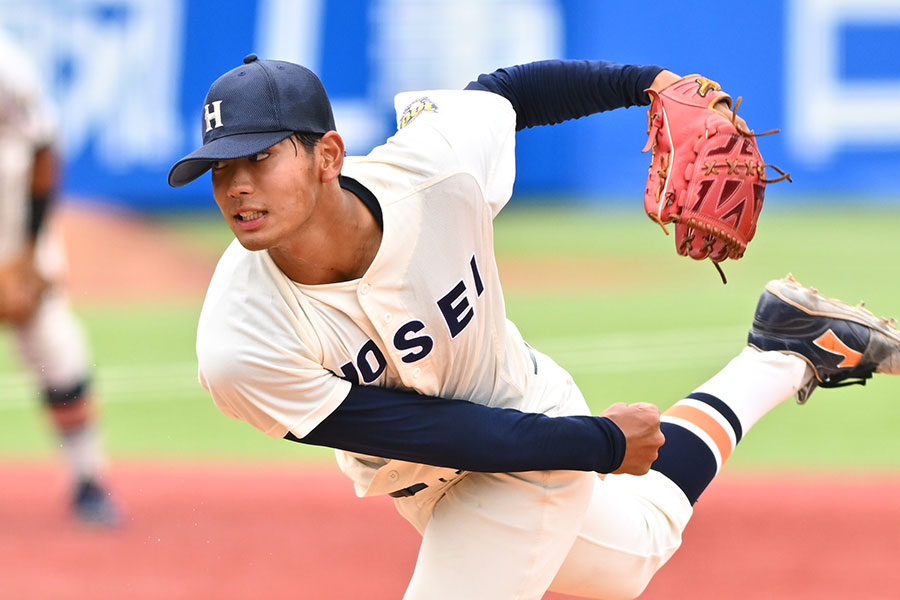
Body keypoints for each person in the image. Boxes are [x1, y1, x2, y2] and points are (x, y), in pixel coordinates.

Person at [168, 54, 899, 599]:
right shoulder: (240, 343)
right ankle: (784, 348)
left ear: (327, 155)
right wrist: (601, 443)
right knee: (639, 544)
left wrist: (648, 84)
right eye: (219, 167)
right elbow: (434, 433)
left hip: (530, 435)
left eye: (260, 157)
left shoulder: (435, 169)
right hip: (451, 469)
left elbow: (505, 95)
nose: (236, 186)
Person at [0, 31, 119, 527]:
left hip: (14, 227)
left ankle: (88, 480)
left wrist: (28, 256)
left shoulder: (7, 66)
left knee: (59, 355)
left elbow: (45, 152)